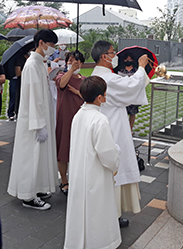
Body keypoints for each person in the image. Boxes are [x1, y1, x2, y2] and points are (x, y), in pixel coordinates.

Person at [91, 41, 149, 228]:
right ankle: (110, 215)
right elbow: (131, 87)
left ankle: (111, 213)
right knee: (113, 170)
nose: (115, 55)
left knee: (109, 171)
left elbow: (129, 86)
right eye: (112, 52)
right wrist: (141, 68)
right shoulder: (107, 78)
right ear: (103, 56)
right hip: (111, 127)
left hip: (110, 123)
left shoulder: (101, 75)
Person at [64, 76, 121, 249]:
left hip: (79, 171)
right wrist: (116, 161)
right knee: (97, 211)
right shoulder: (100, 120)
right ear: (99, 98)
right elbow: (107, 153)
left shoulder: (78, 115)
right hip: (95, 173)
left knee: (80, 211)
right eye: (105, 94)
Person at [7, 29, 59, 210]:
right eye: (52, 45)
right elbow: (33, 97)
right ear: (42, 42)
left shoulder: (39, 63)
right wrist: (38, 125)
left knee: (40, 156)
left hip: (41, 118)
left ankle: (37, 188)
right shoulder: (31, 65)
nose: (53, 49)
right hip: (34, 121)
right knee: (32, 156)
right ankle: (28, 196)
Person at [55, 51, 85, 196]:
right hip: (65, 117)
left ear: (82, 64)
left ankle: (78, 179)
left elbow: (88, 96)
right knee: (63, 148)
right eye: (70, 61)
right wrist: (70, 71)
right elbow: (61, 84)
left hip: (81, 118)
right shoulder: (62, 76)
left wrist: (78, 92)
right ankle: (64, 180)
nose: (72, 63)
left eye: (76, 61)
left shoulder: (85, 80)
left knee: (80, 149)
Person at [117, 52, 140, 133]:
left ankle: (130, 129)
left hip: (133, 95)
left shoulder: (137, 71)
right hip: (123, 95)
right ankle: (123, 128)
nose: (128, 60)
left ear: (133, 60)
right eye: (126, 59)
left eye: (130, 59)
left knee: (132, 113)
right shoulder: (121, 71)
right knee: (123, 112)